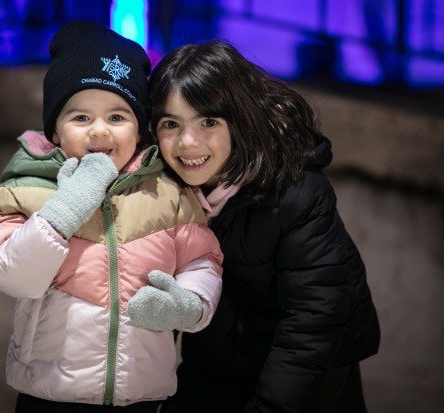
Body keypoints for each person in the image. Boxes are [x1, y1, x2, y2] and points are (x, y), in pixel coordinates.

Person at [0, 21, 223, 413]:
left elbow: (202, 259)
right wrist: (65, 208)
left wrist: (190, 304)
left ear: (140, 130)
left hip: (140, 396)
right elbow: (11, 275)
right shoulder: (25, 189)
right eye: (80, 118)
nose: (99, 131)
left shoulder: (168, 191)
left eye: (118, 117)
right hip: (51, 395)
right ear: (54, 131)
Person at [149, 41, 381, 413]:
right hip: (217, 362)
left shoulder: (295, 190)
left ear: (239, 121)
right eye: (171, 124)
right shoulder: (163, 192)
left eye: (208, 121)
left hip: (308, 376)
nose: (188, 142)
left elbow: (316, 316)